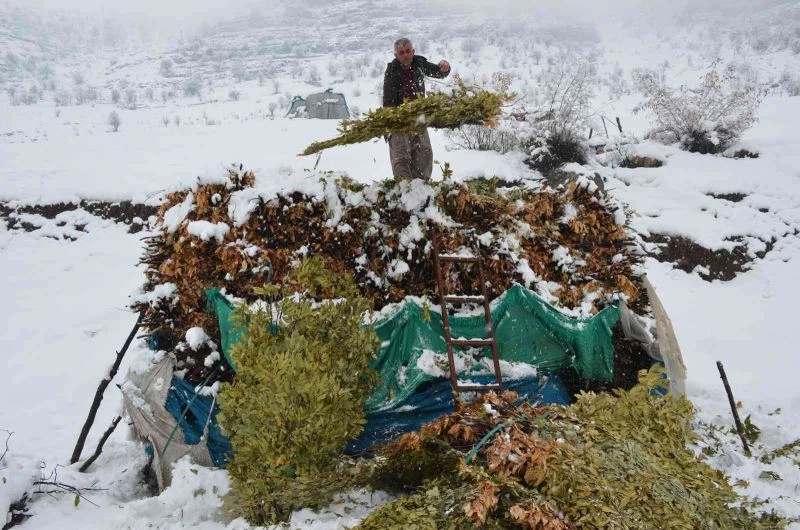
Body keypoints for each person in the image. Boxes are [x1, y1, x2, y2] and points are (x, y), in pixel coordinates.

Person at [383, 38, 450, 180]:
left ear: (413, 51)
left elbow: (438, 72)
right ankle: (404, 190)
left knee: (424, 154)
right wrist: (391, 123)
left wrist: (445, 67)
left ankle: (422, 188)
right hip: (398, 121)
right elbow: (388, 103)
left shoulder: (419, 64)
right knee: (401, 158)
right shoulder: (391, 72)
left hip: (419, 118)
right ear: (396, 55)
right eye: (401, 53)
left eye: (408, 51)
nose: (405, 55)